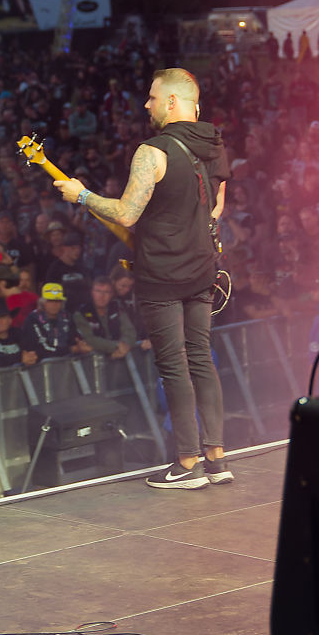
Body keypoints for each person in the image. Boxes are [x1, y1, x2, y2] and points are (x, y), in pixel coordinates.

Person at [58, 67, 232, 490]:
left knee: (173, 366)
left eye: (153, 97)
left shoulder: (152, 151)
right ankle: (216, 458)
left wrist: (81, 195)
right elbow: (216, 209)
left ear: (172, 101)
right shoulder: (214, 144)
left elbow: (126, 213)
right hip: (202, 269)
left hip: (162, 274)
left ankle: (187, 464)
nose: (146, 104)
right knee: (201, 360)